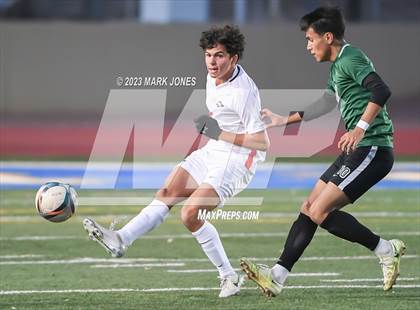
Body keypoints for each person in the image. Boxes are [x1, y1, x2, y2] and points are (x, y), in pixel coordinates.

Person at [83, 25, 270, 298]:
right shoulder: (213, 76)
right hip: (216, 149)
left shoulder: (244, 92)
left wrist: (218, 132)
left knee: (190, 214)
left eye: (219, 56)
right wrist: (217, 135)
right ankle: (120, 239)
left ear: (234, 58)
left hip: (239, 160)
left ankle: (228, 276)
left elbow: (261, 142)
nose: (212, 62)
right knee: (168, 192)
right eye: (208, 55)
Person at [240, 6, 405, 297]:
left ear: (328, 37)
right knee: (309, 206)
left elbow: (381, 90)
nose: (307, 46)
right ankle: (277, 275)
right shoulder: (338, 65)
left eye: (310, 38)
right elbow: (326, 104)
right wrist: (282, 120)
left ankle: (386, 249)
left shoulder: (351, 58)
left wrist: (360, 128)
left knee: (319, 210)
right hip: (358, 148)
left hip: (372, 148)